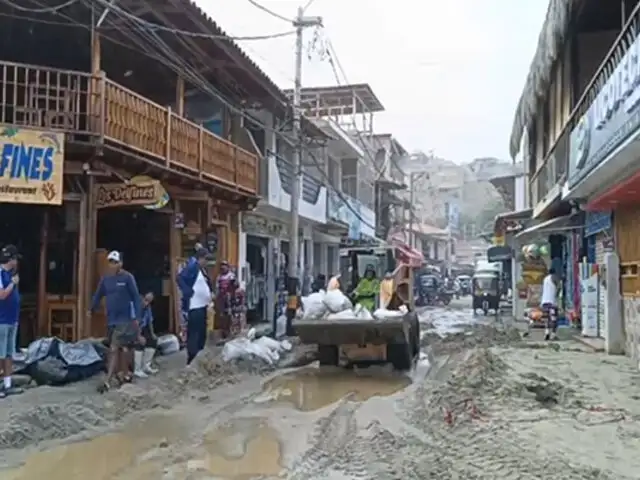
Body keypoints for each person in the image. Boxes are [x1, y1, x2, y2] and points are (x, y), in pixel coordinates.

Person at [89, 251, 142, 392]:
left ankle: (108, 380)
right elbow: (98, 294)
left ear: (121, 263)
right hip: (111, 319)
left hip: (125, 320)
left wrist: (137, 317)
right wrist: (91, 308)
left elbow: (136, 298)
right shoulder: (106, 279)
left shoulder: (127, 278)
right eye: (110, 262)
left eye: (115, 262)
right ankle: (125, 375)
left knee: (114, 347)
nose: (112, 265)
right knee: (121, 349)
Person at [177, 246, 213, 364]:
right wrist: (187, 290)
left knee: (201, 331)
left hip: (202, 306)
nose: (207, 262)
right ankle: (192, 356)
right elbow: (180, 278)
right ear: (200, 258)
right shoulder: (192, 267)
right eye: (206, 259)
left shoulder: (201, 269)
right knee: (194, 332)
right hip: (194, 306)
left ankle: (199, 353)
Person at [0, 245, 22, 398]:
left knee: (8, 354)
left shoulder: (8, 274)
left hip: (12, 319)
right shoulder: (0, 274)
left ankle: (8, 385)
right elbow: (1, 295)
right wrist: (13, 283)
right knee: (0, 354)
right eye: (15, 259)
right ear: (11, 259)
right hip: (1, 320)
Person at [134, 292, 158, 378]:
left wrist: (152, 334)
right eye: (146, 300)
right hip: (131, 328)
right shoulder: (136, 306)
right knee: (140, 342)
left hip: (142, 328)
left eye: (149, 301)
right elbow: (135, 323)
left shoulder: (148, 308)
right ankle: (137, 369)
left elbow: (150, 321)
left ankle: (146, 365)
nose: (146, 303)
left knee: (153, 340)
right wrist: (138, 336)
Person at [214, 261, 236, 340]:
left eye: (224, 266)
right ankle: (223, 332)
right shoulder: (219, 277)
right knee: (222, 315)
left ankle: (229, 331)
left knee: (229, 315)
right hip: (221, 298)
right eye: (221, 266)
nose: (223, 268)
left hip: (229, 298)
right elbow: (216, 288)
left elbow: (235, 286)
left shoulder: (231, 276)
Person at [540, 267, 559, 341]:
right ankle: (553, 335)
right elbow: (559, 287)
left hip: (544, 302)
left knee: (547, 319)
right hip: (552, 303)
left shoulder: (545, 279)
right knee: (554, 319)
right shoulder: (554, 277)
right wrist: (557, 295)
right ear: (554, 273)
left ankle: (547, 333)